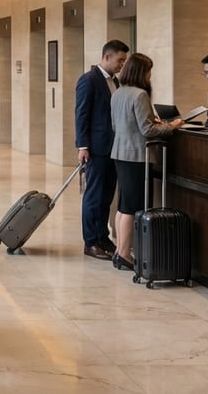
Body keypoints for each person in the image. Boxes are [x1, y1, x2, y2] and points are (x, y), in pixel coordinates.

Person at [109, 53, 183, 271]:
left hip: (120, 153)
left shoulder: (118, 93)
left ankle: (119, 251)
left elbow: (118, 125)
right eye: (149, 71)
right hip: (137, 156)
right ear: (142, 72)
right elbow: (147, 130)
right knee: (133, 207)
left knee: (123, 205)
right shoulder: (140, 94)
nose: (150, 76)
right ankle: (124, 254)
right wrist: (173, 126)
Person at [74, 39, 129, 260]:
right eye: (119, 60)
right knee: (94, 195)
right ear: (107, 57)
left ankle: (102, 236)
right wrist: (83, 145)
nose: (122, 65)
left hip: (113, 148)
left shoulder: (116, 81)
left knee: (106, 195)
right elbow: (81, 114)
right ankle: (90, 242)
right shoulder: (89, 80)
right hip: (96, 148)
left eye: (124, 61)